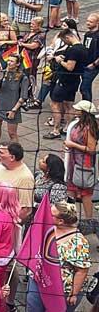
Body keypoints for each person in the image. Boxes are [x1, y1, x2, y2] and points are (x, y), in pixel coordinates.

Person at [26, 202, 90, 312]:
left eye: (51, 214)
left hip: (60, 291)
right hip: (37, 280)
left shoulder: (78, 242)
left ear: (61, 221)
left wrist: (74, 294)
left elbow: (82, 271)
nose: (46, 214)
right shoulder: (46, 229)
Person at [61, 100, 99, 233]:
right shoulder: (78, 124)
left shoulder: (90, 127)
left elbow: (91, 148)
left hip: (84, 165)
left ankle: (90, 223)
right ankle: (70, 220)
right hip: (73, 163)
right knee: (70, 192)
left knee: (85, 195)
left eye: (78, 109)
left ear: (83, 112)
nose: (75, 110)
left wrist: (73, 145)